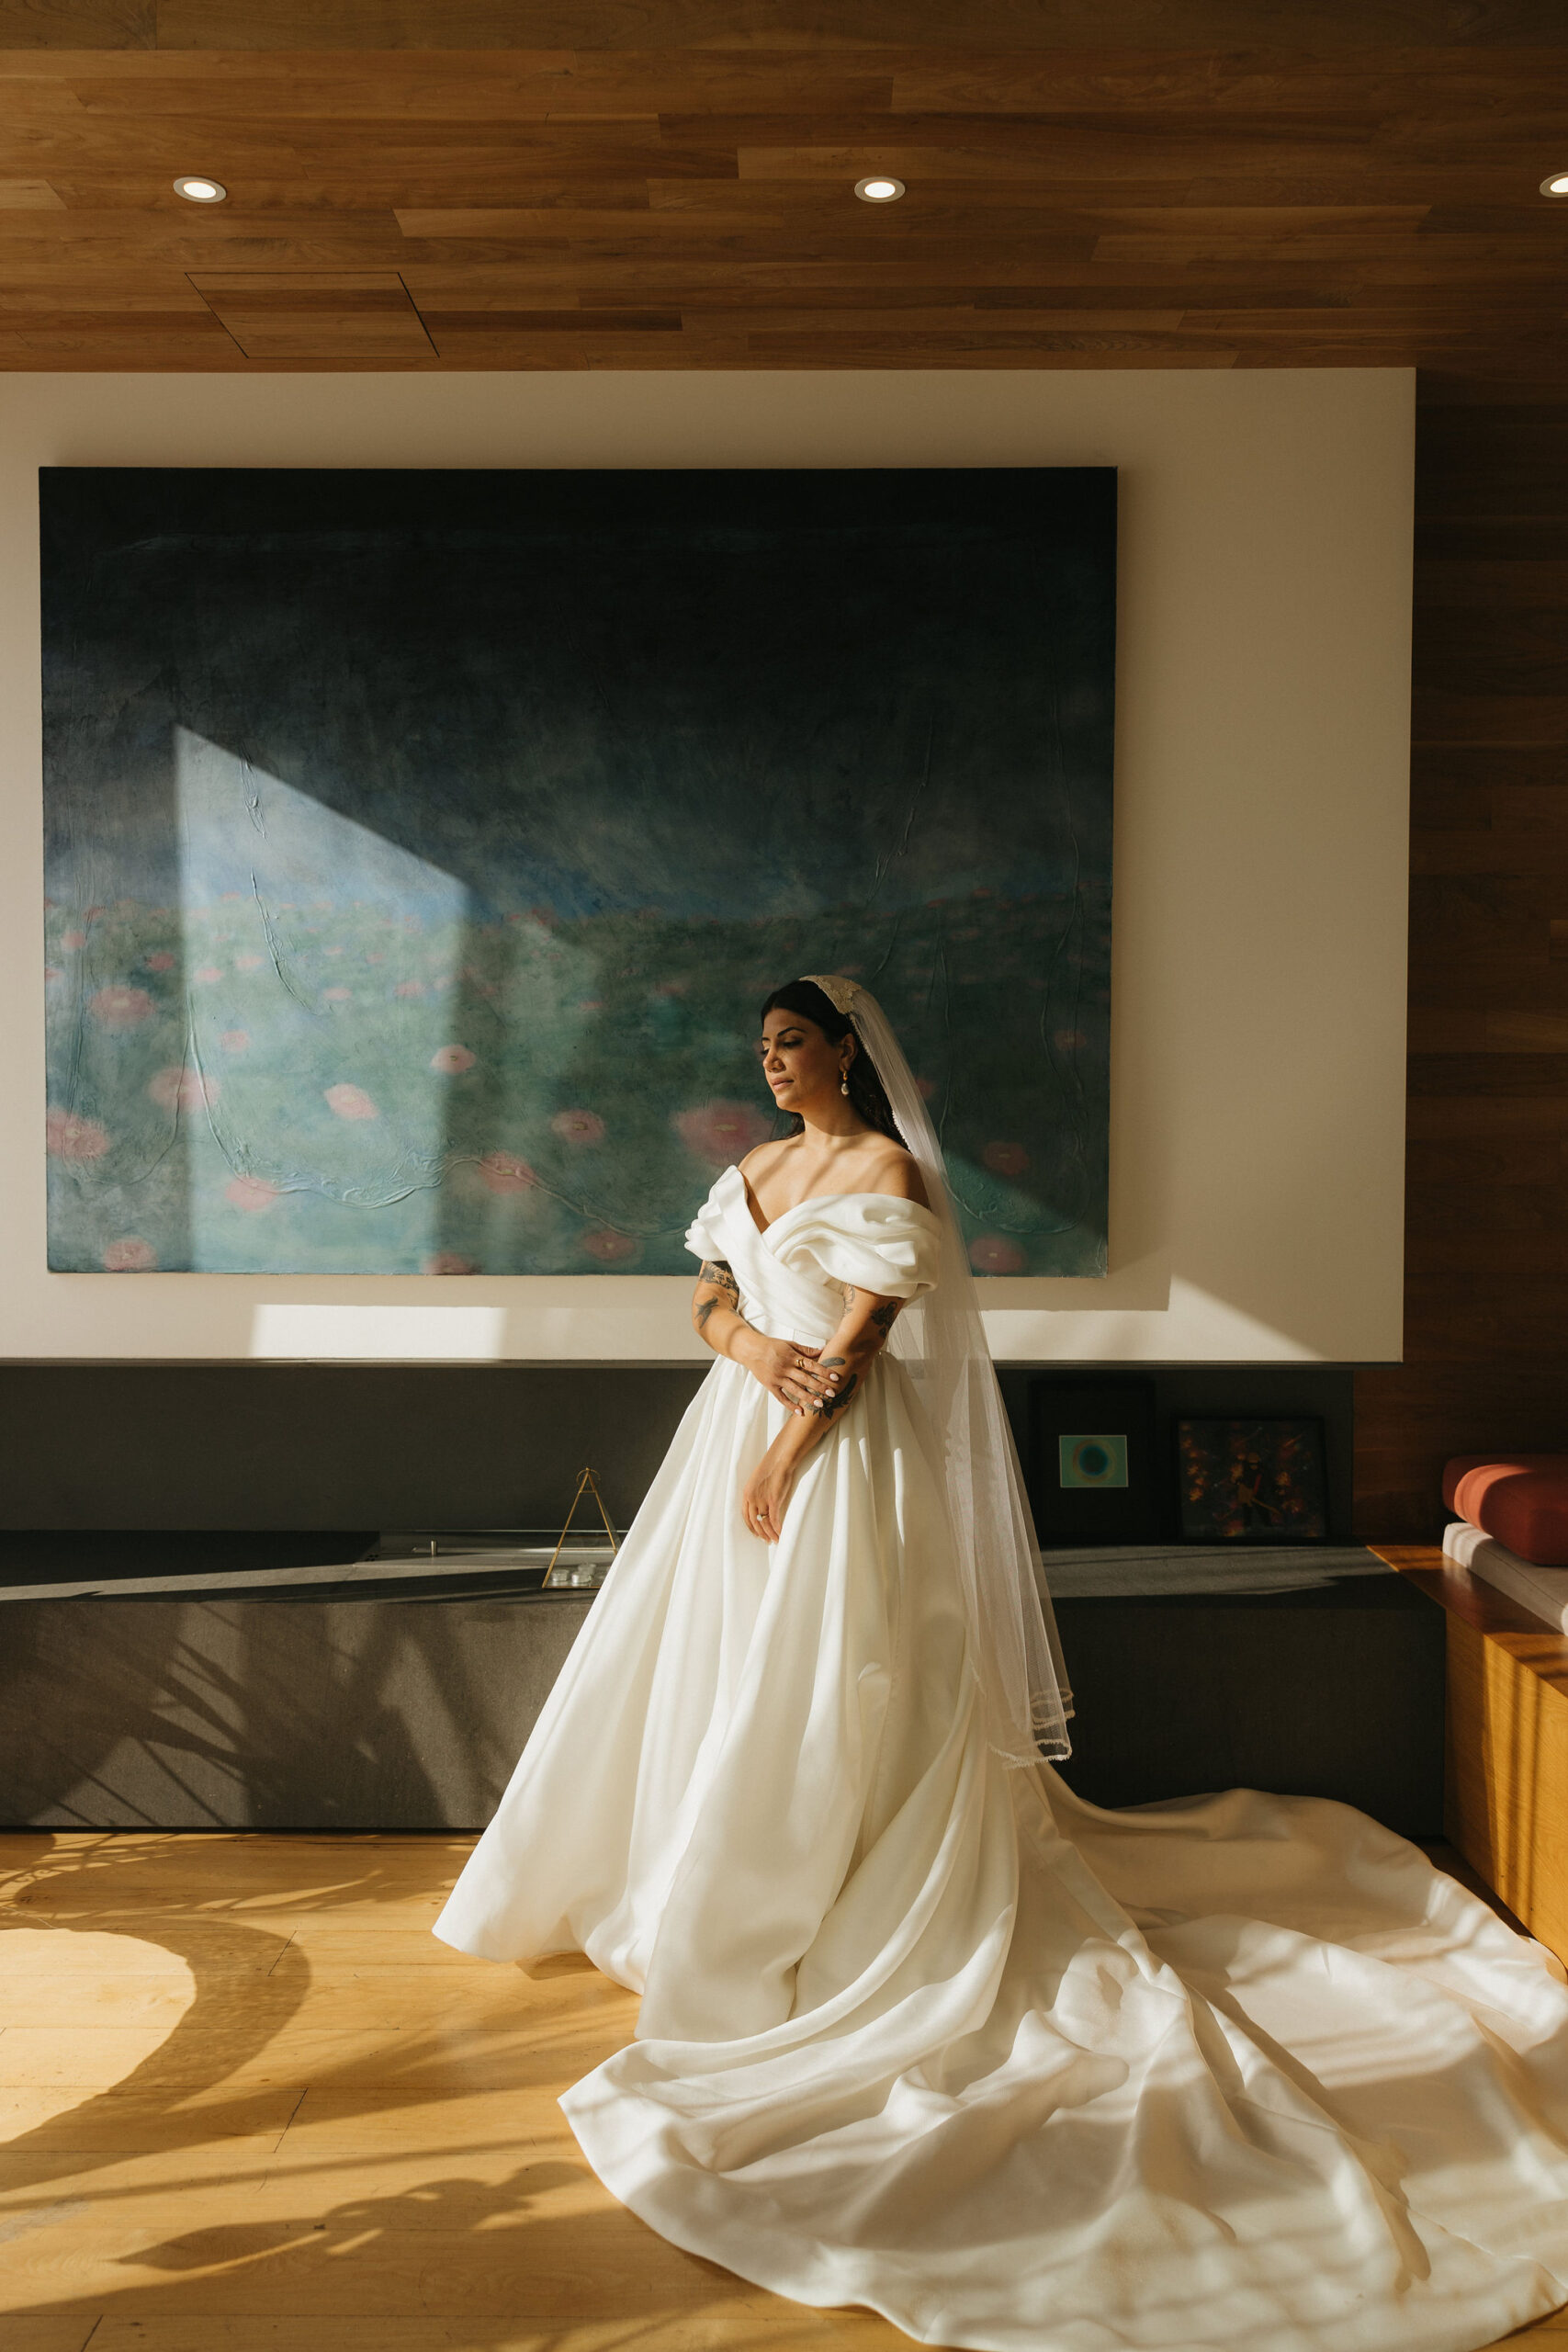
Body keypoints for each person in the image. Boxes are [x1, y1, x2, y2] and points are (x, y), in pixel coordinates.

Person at [435, 976, 1568, 2352]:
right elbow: (707, 1296)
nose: (776, 1064)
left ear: (848, 1048)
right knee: (716, 1659)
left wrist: (796, 1438)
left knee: (837, 1669)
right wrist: (750, 1357)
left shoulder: (882, 1164)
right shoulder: (754, 1165)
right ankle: (698, 1868)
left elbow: (869, 1335)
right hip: (734, 1430)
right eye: (764, 1049)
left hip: (843, 1461)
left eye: (794, 1042)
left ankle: (830, 1878)